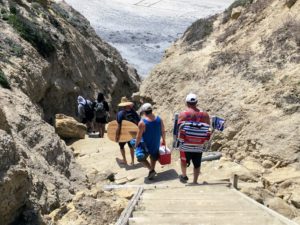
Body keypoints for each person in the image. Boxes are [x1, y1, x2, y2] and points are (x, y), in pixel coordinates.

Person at [178, 93, 210, 184]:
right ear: (196, 102)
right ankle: (195, 181)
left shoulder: (183, 114)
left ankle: (184, 176)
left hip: (186, 145)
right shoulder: (205, 114)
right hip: (199, 144)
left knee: (183, 160)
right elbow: (208, 128)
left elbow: (179, 129)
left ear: (186, 103)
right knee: (197, 162)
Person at [135, 103, 166, 180]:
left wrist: (136, 145)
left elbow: (138, 136)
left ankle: (151, 170)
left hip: (146, 145)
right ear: (151, 110)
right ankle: (152, 170)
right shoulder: (159, 119)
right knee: (153, 157)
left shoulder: (142, 123)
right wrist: (164, 140)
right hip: (155, 143)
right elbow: (163, 131)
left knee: (140, 158)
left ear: (144, 112)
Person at [116, 97, 140, 165]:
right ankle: (132, 161)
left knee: (121, 146)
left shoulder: (120, 113)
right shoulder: (133, 112)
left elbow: (119, 126)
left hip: (123, 133)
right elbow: (138, 120)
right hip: (132, 132)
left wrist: (117, 136)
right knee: (131, 146)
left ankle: (125, 160)